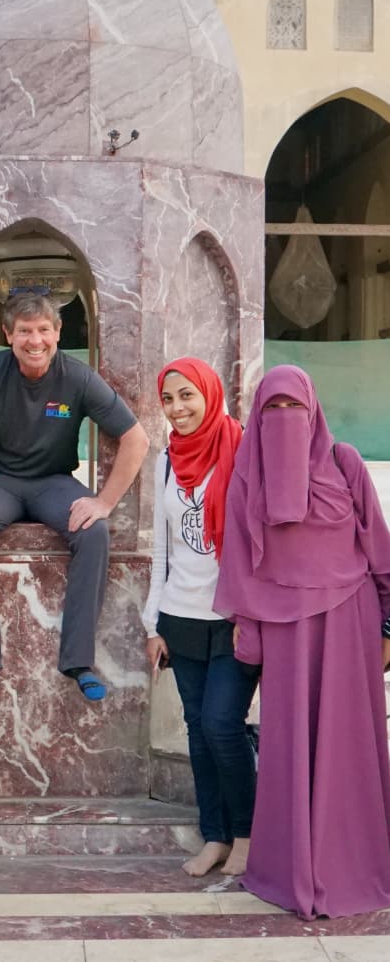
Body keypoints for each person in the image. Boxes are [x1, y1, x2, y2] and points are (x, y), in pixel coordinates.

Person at [216, 364, 390, 918]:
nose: (285, 420)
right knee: (288, 747)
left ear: (314, 411)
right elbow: (241, 560)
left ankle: (352, 864)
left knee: (347, 748)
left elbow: (381, 554)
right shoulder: (250, 472)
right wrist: (248, 630)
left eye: (295, 408)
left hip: (349, 624)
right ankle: (291, 867)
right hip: (284, 630)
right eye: (273, 409)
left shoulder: (346, 464)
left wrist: (389, 628)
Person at [0, 291, 149, 702]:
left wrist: (104, 502)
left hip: (53, 483)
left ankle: (79, 662)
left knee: (95, 531)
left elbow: (136, 438)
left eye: (44, 329)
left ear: (58, 333)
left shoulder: (77, 377)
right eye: (24, 331)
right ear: (8, 334)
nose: (34, 340)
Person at [143, 358, 258, 877]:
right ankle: (213, 836)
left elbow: (260, 540)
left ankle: (248, 835)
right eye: (169, 399)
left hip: (233, 616)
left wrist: (250, 611)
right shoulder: (167, 460)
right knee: (197, 728)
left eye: (187, 395)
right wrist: (153, 624)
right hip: (180, 616)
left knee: (222, 726)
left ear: (209, 394)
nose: (178, 408)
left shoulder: (243, 450)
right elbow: (162, 550)